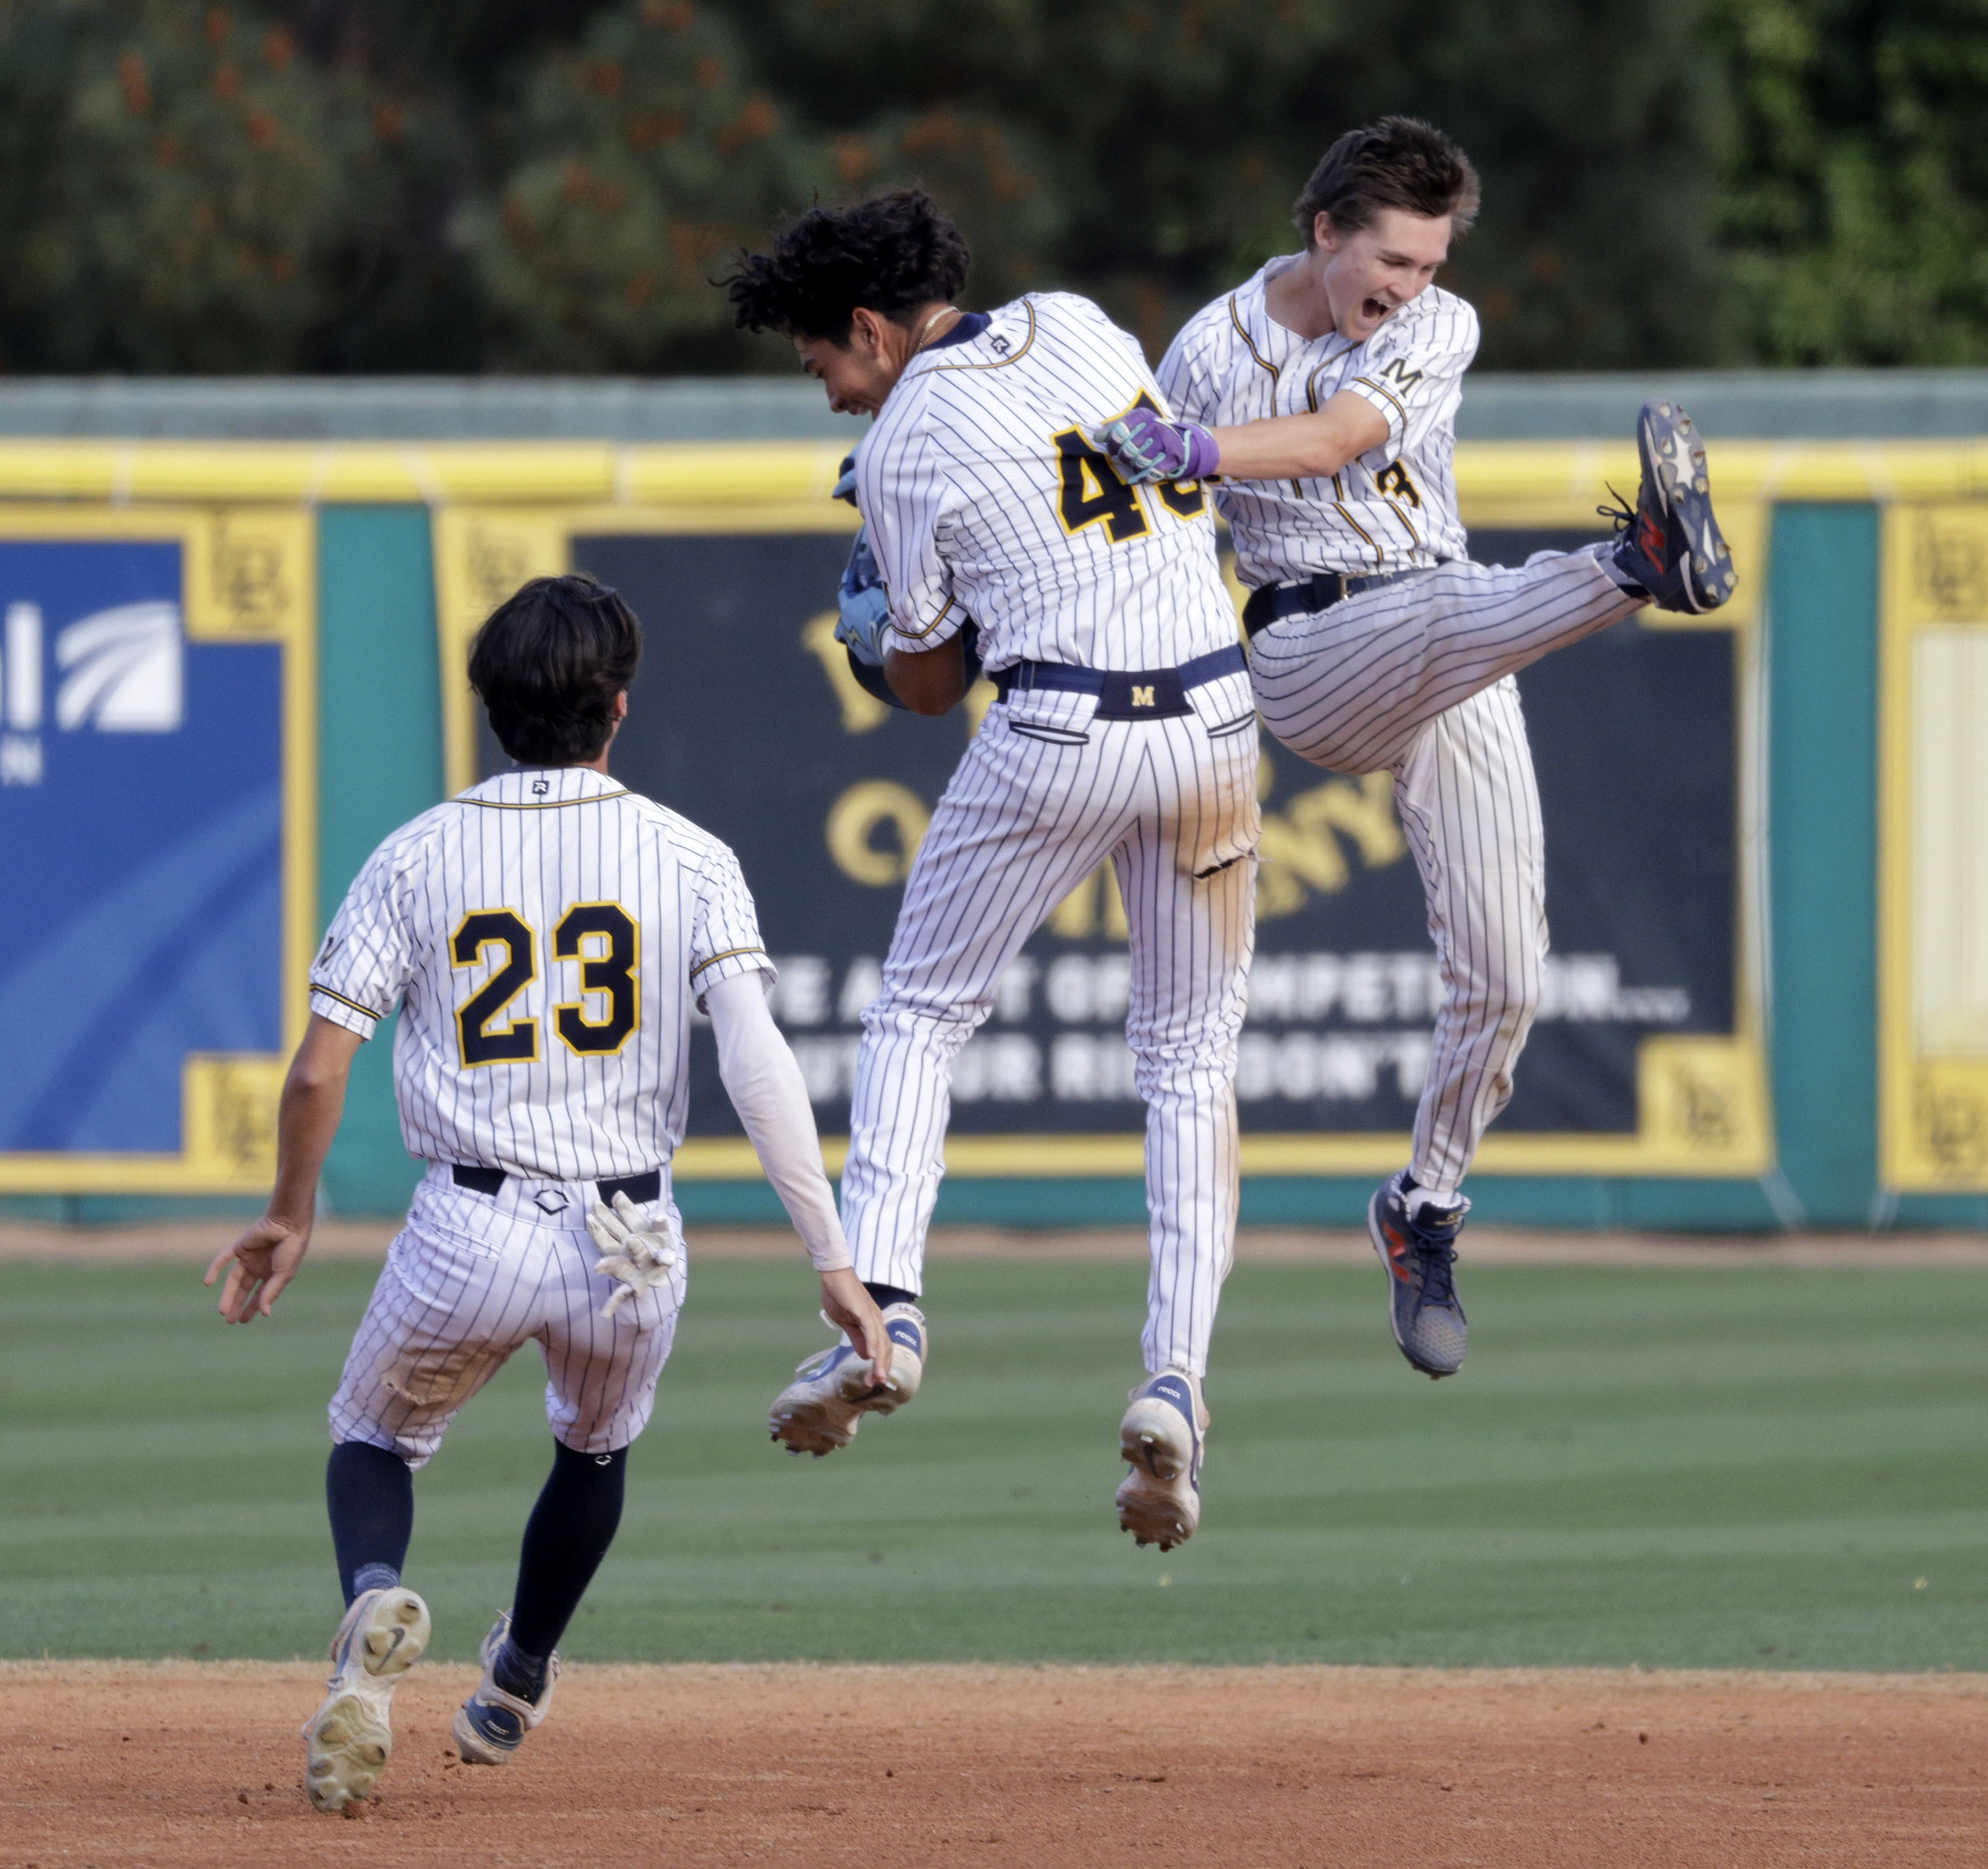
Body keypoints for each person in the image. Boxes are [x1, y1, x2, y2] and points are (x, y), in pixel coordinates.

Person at [205, 573, 889, 1813]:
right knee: (595, 1447)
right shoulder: (691, 856)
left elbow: (318, 1069)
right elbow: (756, 1061)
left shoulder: (417, 854)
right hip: (632, 1241)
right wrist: (833, 1258)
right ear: (618, 706)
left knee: (373, 1439)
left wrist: (290, 1214)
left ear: (490, 707)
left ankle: (373, 1608)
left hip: (469, 1225)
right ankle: (516, 1679)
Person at [1094, 117, 1734, 1379]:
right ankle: (1633, 565)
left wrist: (1199, 453)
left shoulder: (1441, 326)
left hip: (1460, 638)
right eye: (1391, 259)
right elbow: (1136, 520)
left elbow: (1341, 436)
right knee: (1452, 602)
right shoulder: (1207, 351)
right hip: (1311, 650)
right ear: (1324, 229)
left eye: (1431, 263)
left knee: (1506, 977)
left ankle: (1425, 1206)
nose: (1412, 286)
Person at [724, 189, 1258, 1551]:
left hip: (1062, 723)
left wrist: (866, 631)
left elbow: (923, 684)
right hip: (1213, 712)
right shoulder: (1080, 321)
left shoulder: (904, 438)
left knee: (920, 1011)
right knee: (1190, 1060)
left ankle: (886, 1315)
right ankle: (1176, 1380)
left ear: (869, 328)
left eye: (823, 360)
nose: (829, 391)